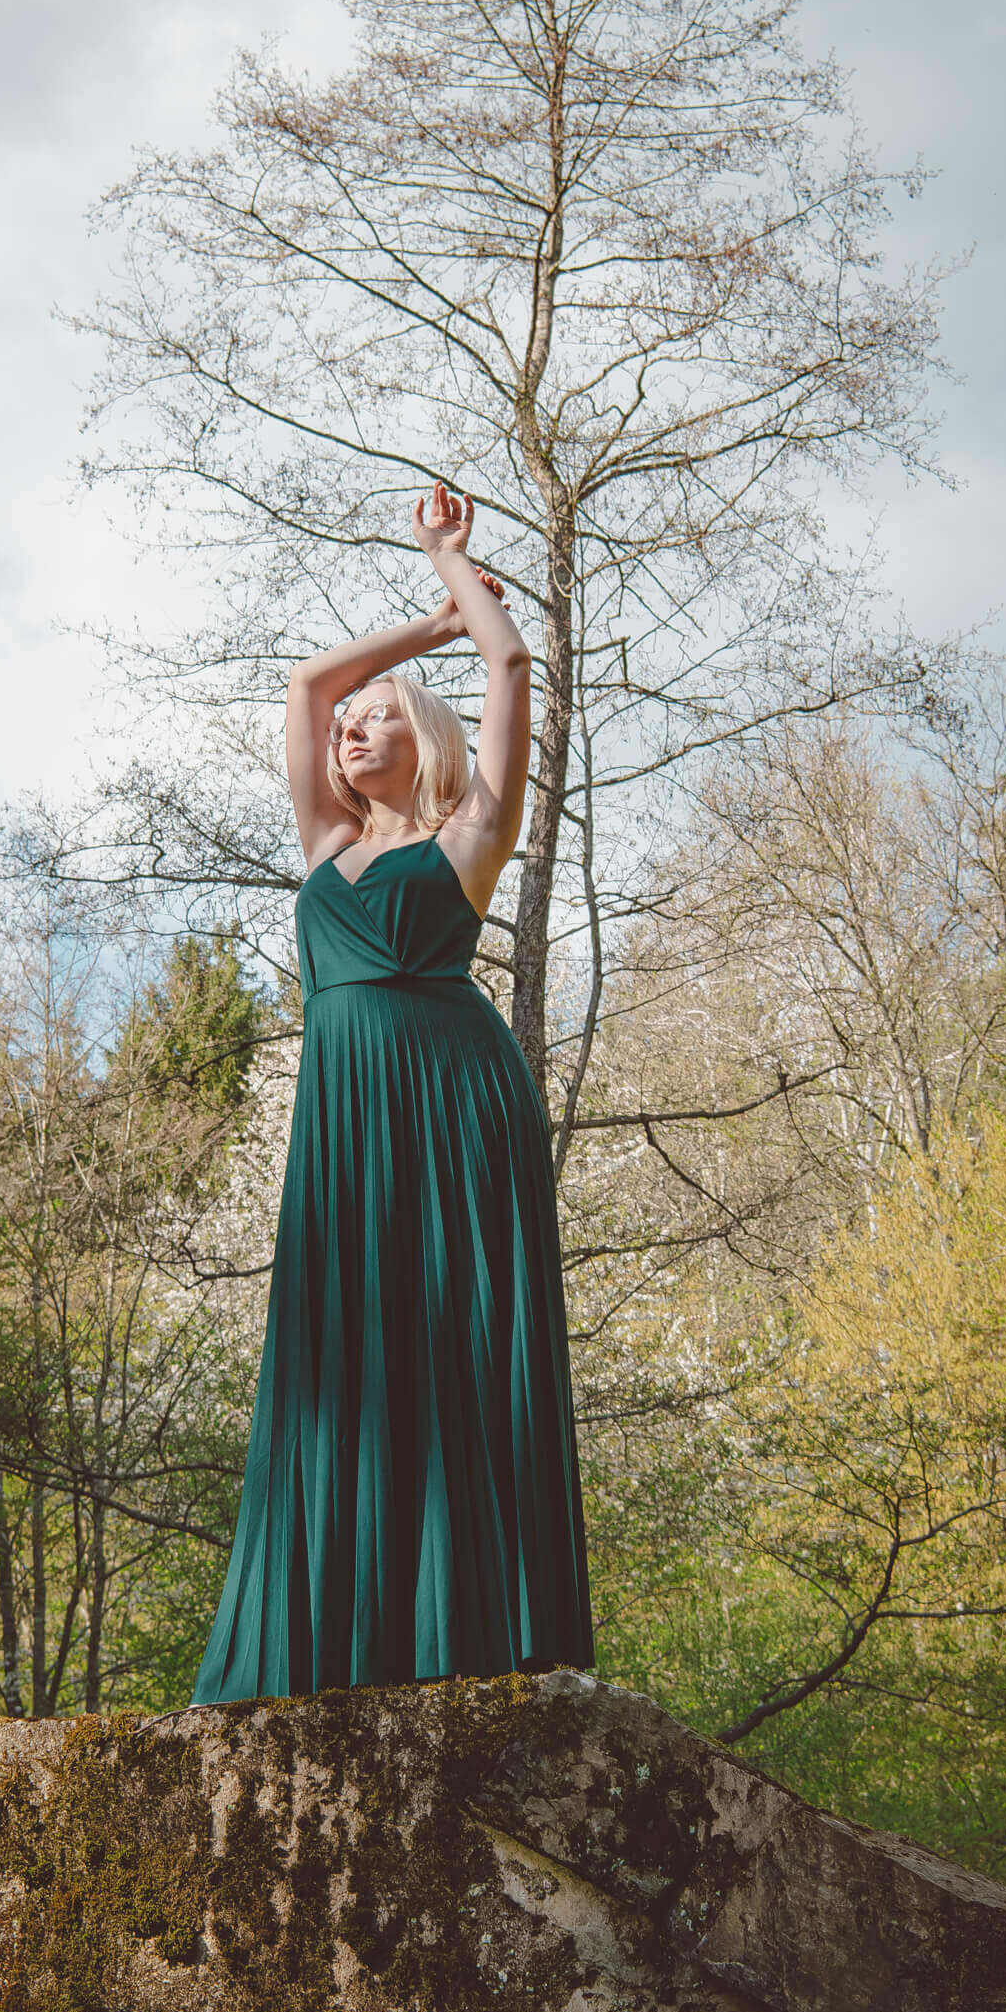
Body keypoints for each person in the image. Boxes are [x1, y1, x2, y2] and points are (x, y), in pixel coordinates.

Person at [189, 480, 596, 1700]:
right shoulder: (327, 844)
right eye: (347, 729)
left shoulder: (469, 835)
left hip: (455, 1100)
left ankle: (479, 1632)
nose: (347, 731)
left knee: (458, 1348)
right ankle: (332, 1644)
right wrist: (420, 625)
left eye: (377, 720)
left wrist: (453, 568)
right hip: (344, 1117)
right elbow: (304, 686)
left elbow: (514, 663)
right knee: (342, 1355)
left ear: (424, 735)